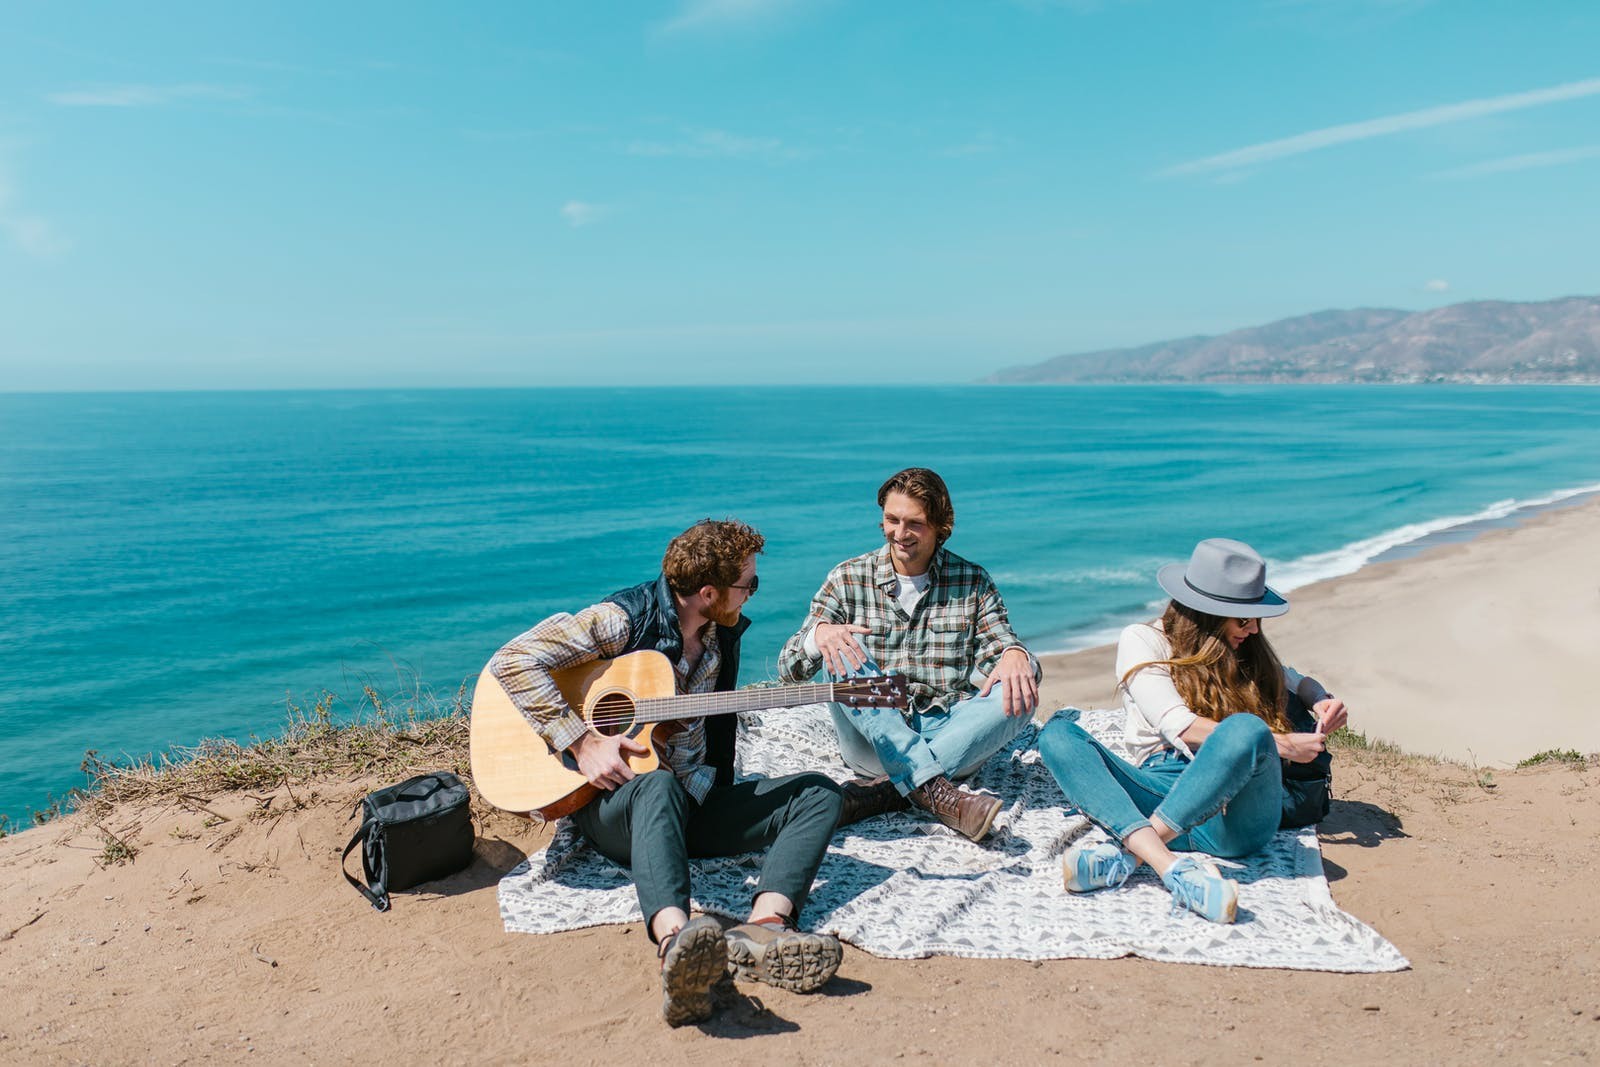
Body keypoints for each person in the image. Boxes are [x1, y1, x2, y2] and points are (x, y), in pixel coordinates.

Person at [488, 519, 845, 1027]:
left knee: (818, 793)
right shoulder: (622, 620)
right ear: (707, 592)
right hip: (617, 810)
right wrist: (582, 741)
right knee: (655, 784)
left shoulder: (718, 637)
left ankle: (764, 926)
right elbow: (513, 661)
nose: (752, 594)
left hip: (693, 800)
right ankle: (677, 943)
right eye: (748, 585)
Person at [1036, 538, 1349, 924]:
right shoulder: (1144, 640)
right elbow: (1179, 726)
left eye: (1255, 618)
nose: (1253, 629)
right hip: (1162, 789)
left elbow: (1297, 682)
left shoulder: (1244, 648)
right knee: (1057, 736)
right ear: (1208, 614)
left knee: (1248, 731)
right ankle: (1172, 869)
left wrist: (1322, 700)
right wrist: (1282, 744)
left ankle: (1131, 854)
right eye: (1243, 618)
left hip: (1233, 814)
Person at [778, 468, 1041, 841]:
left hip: (947, 728)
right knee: (844, 646)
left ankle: (887, 792)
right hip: (871, 742)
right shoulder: (847, 577)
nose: (899, 534)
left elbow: (999, 650)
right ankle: (932, 786)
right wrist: (818, 635)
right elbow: (789, 668)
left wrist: (1015, 653)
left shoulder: (972, 581)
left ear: (939, 526)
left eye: (914, 523)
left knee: (1023, 687)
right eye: (891, 519)